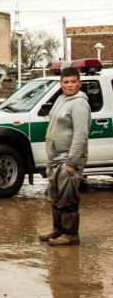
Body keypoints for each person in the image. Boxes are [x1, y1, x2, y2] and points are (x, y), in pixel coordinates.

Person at [39, 67, 90, 246]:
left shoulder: (80, 104)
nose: (69, 85)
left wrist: (73, 161)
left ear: (79, 83)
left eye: (73, 82)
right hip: (55, 158)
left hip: (67, 159)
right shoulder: (61, 99)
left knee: (68, 197)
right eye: (66, 82)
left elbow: (80, 134)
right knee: (56, 195)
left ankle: (70, 235)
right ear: (61, 84)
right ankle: (58, 229)